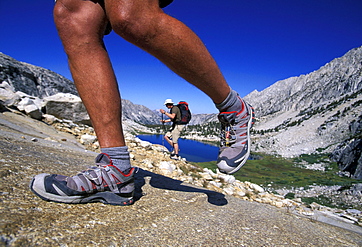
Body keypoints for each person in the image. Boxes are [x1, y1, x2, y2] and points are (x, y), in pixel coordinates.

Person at [30, 0, 255, 206]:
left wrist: (166, 116)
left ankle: (233, 107)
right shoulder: (173, 107)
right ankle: (115, 167)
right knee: (72, 15)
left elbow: (175, 118)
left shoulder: (174, 110)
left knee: (130, 16)